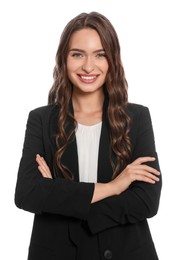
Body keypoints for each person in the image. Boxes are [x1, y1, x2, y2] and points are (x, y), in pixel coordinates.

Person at [14, 11, 162, 260]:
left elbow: (146, 201)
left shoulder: (136, 118)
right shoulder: (40, 119)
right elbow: (27, 193)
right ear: (64, 59)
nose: (88, 66)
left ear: (112, 60)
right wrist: (114, 187)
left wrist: (58, 195)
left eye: (100, 54)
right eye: (77, 54)